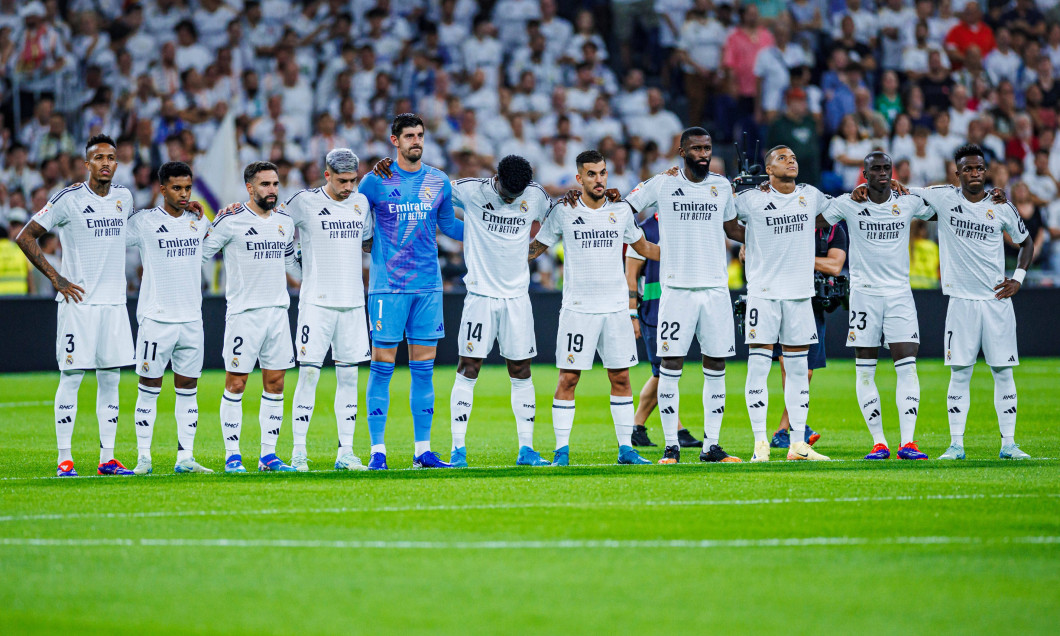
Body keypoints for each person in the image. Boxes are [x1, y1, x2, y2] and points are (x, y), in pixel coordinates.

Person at [14, 134, 136, 477]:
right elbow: (25, 236)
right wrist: (57, 278)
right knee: (72, 377)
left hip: (114, 305)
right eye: (99, 158)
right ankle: (64, 459)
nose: (107, 163)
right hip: (78, 304)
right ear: (87, 164)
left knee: (111, 379)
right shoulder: (68, 199)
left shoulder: (124, 198)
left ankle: (107, 458)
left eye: (111, 157)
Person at [528, 149, 659, 466]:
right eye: (591, 174)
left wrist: (682, 255)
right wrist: (500, 249)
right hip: (578, 309)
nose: (598, 179)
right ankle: (561, 451)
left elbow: (643, 248)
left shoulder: (621, 210)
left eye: (602, 173)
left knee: (622, 379)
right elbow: (535, 248)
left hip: (614, 310)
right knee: (568, 379)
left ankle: (626, 449)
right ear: (579, 178)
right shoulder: (564, 211)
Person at [622, 128, 745, 464]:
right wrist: (639, 242)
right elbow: (624, 207)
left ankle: (712, 446)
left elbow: (733, 229)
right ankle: (671, 447)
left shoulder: (721, 185)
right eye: (696, 148)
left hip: (715, 290)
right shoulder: (662, 183)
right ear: (681, 150)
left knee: (716, 365)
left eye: (707, 148)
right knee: (670, 366)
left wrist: (763, 233)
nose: (703, 154)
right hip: (676, 291)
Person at [910, 145, 1034, 460]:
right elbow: (902, 191)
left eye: (979, 168)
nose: (974, 173)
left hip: (996, 301)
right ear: (958, 173)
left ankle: (1009, 444)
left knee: (1003, 372)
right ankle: (956, 445)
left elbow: (1026, 242)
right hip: (961, 303)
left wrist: (1018, 277)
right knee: (960, 373)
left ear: (985, 171)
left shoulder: (1001, 206)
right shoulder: (944, 198)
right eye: (968, 169)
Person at [357, 113, 464, 470]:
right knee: (382, 367)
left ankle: (422, 451)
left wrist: (495, 231)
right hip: (388, 288)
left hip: (428, 287)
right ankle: (378, 451)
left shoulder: (438, 180)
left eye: (419, 135)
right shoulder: (375, 182)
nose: (415, 141)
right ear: (394, 140)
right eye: (408, 136)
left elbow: (449, 225)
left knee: (424, 370)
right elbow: (353, 220)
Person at [445, 155, 552, 467]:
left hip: (517, 298)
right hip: (479, 295)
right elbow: (429, 187)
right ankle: (458, 449)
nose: (510, 198)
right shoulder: (469, 190)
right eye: (506, 192)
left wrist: (533, 250)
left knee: (521, 370)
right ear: (496, 176)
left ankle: (527, 449)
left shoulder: (534, 195)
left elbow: (560, 217)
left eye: (515, 195)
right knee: (469, 367)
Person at [825, 152, 931, 460]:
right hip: (864, 295)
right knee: (865, 369)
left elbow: (944, 208)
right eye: (876, 169)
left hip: (899, 294)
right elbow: (816, 217)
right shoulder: (849, 203)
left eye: (887, 168)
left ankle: (908, 442)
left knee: (907, 365)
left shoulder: (907, 201)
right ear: (865, 173)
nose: (882, 173)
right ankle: (879, 441)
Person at [733, 145, 835, 463]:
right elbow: (725, 222)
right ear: (768, 169)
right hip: (763, 294)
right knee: (759, 367)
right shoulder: (751, 199)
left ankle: (797, 444)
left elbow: (836, 212)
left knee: (797, 370)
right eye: (781, 158)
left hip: (800, 296)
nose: (790, 160)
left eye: (792, 157)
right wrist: (752, 239)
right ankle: (760, 443)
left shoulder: (811, 195)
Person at [201, 161, 301, 473]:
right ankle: (233, 455)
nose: (272, 190)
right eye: (265, 185)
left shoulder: (285, 221)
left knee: (276, 382)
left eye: (275, 184)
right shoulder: (230, 219)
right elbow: (201, 252)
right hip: (244, 315)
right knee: (237, 383)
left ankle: (268, 456)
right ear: (250, 187)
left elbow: (289, 263)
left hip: (278, 314)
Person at [284, 150, 372, 472]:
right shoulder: (304, 202)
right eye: (342, 180)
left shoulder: (361, 204)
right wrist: (297, 270)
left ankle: (345, 453)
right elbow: (276, 229)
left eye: (353, 180)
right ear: (327, 174)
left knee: (349, 377)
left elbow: (366, 242)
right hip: (316, 304)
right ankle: (298, 453)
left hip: (352, 303)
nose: (348, 187)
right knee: (308, 374)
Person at [125, 161, 211, 474]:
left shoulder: (199, 222)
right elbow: (110, 241)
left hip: (191, 320)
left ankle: (185, 458)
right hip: (156, 320)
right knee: (148, 388)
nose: (184, 194)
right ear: (162, 189)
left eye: (188, 188)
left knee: (188, 388)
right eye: (176, 188)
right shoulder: (144, 222)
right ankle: (143, 459)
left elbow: (215, 243)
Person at [624, 212, 705, 450]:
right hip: (652, 309)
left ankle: (638, 428)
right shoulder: (645, 229)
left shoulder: (683, 224)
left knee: (664, 371)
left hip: (677, 306)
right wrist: (632, 315)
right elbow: (631, 276)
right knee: (663, 370)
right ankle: (673, 430)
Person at [768, 215, 847, 450]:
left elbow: (835, 265)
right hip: (782, 297)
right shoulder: (786, 222)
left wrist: (798, 258)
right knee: (787, 366)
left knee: (807, 372)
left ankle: (789, 428)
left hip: (813, 304)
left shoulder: (833, 231)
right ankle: (790, 429)